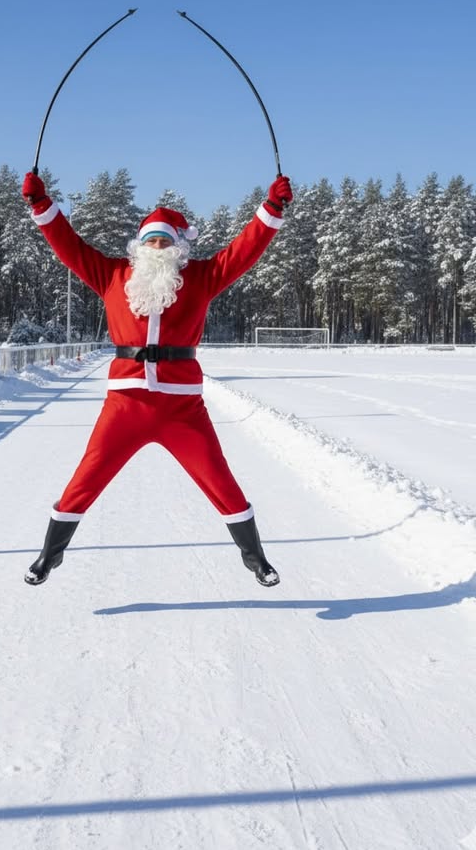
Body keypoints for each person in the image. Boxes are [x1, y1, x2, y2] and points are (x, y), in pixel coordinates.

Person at [21, 170, 293, 588]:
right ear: (139, 246)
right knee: (84, 480)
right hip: (125, 406)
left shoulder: (201, 278)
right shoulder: (112, 275)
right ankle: (49, 556)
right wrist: (42, 205)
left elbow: (243, 250)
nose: (157, 246)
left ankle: (255, 558)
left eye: (165, 241)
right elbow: (69, 246)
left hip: (182, 408)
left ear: (180, 248)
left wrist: (270, 208)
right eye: (151, 240)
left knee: (220, 481)